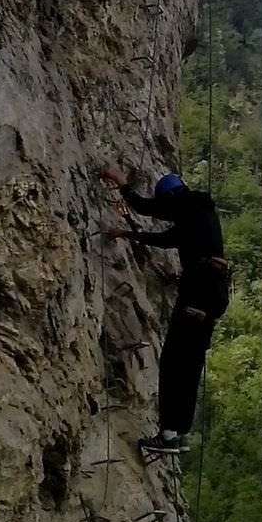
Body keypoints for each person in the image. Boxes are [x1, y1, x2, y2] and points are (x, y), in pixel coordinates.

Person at [97, 166, 230, 456]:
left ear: (171, 195)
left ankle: (168, 435)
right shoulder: (200, 213)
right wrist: (126, 234)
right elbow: (169, 239)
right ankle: (180, 433)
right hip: (213, 294)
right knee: (190, 366)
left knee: (173, 363)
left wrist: (122, 183)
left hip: (198, 292)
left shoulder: (186, 202)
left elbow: (146, 208)